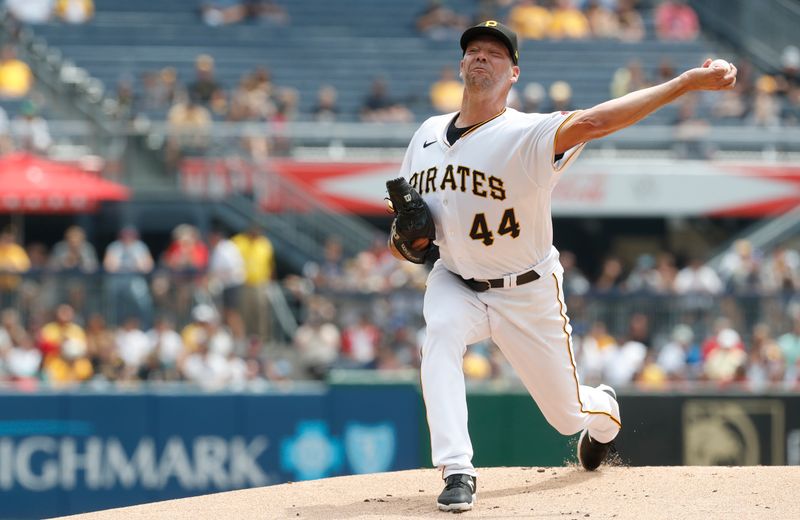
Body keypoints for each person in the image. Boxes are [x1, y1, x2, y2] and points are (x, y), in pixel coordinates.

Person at [387, 20, 737, 512]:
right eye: (473, 51)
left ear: (514, 73)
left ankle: (604, 413)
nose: (481, 57)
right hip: (455, 279)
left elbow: (595, 122)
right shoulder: (424, 136)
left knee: (568, 413)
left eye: (494, 53)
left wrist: (683, 84)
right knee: (439, 335)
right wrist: (410, 241)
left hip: (525, 289)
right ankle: (457, 469)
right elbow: (409, 227)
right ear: (461, 65)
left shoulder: (528, 133)